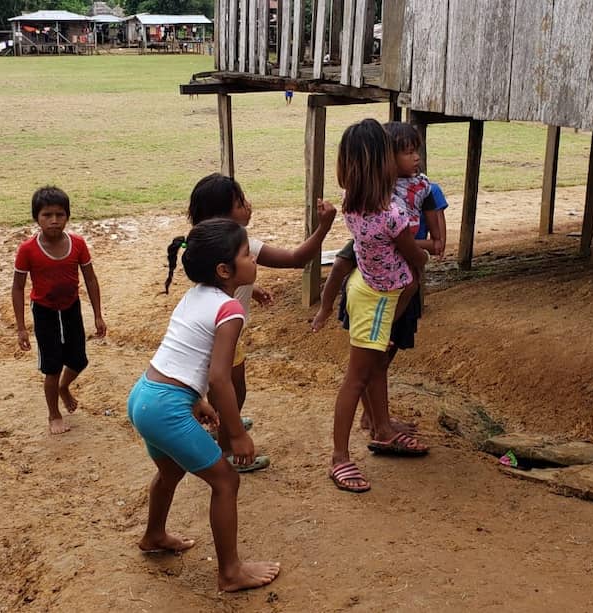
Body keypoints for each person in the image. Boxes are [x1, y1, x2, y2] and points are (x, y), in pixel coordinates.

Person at [129, 218, 281, 592]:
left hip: (146, 394)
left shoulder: (195, 294)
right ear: (224, 269)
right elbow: (218, 377)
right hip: (166, 406)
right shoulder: (230, 309)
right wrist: (237, 433)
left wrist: (194, 401)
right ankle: (230, 572)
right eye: (247, 253)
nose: (253, 259)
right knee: (226, 481)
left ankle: (154, 536)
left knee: (170, 473)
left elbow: (183, 353)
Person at [177, 173, 336, 471]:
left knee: (231, 388)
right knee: (233, 390)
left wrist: (253, 288)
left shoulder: (207, 245)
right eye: (240, 203)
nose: (249, 206)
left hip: (215, 327)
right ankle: (227, 446)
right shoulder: (244, 245)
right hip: (222, 331)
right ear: (222, 215)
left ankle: (225, 423)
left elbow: (219, 283)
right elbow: (297, 258)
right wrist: (324, 226)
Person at [312, 122, 447, 433]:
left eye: (416, 151)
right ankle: (368, 432)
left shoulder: (365, 202)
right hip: (383, 294)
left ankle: (377, 420)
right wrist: (416, 249)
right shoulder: (383, 210)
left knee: (374, 365)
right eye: (405, 152)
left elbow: (436, 243)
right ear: (384, 160)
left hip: (384, 289)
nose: (415, 158)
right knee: (369, 368)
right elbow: (345, 263)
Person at [326, 119, 430, 494]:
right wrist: (425, 255)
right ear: (382, 164)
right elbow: (414, 255)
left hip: (367, 290)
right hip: (379, 301)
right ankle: (339, 457)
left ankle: (383, 430)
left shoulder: (352, 203)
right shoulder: (392, 215)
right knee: (357, 378)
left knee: (375, 368)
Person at [12, 186, 107, 434]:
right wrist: (21, 328)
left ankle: (65, 387)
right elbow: (18, 287)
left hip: (71, 308)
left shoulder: (77, 244)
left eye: (60, 214)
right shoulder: (27, 250)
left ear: (67, 216)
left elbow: (91, 279)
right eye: (47, 215)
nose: (54, 220)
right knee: (52, 366)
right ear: (37, 218)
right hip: (44, 312)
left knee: (78, 359)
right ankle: (54, 414)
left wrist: (98, 314)